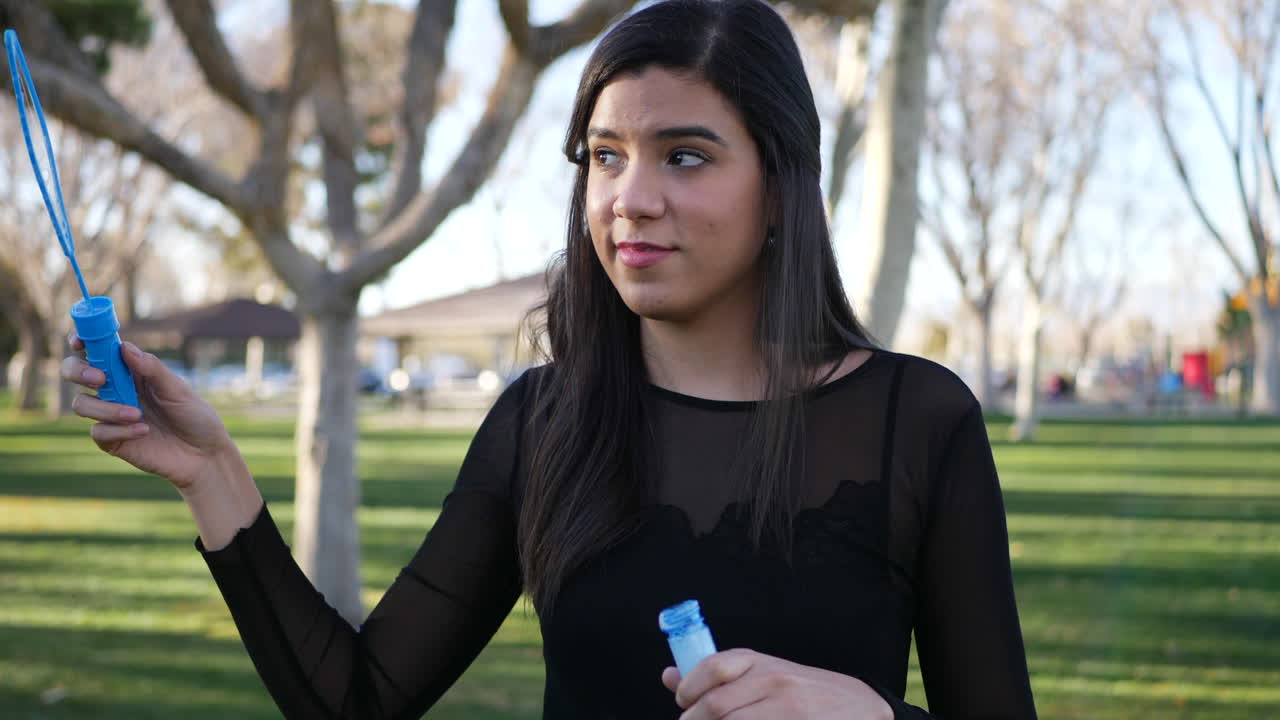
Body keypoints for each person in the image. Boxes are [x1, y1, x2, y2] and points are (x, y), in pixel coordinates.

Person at [62, 0, 1037, 717]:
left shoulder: (918, 422)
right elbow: (355, 699)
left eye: (683, 156)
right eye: (605, 157)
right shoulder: (542, 422)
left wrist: (875, 719)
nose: (630, 197)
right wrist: (212, 476)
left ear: (779, 186)